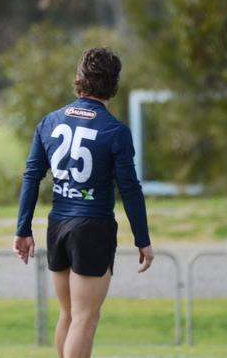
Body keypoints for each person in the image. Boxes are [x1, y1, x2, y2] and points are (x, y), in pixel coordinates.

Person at [13, 47, 154, 358]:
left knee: (69, 315)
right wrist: (142, 238)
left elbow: (32, 176)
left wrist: (22, 228)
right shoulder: (115, 131)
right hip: (93, 228)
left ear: (79, 79)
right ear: (113, 85)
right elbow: (129, 189)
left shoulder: (49, 122)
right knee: (85, 318)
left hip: (58, 224)